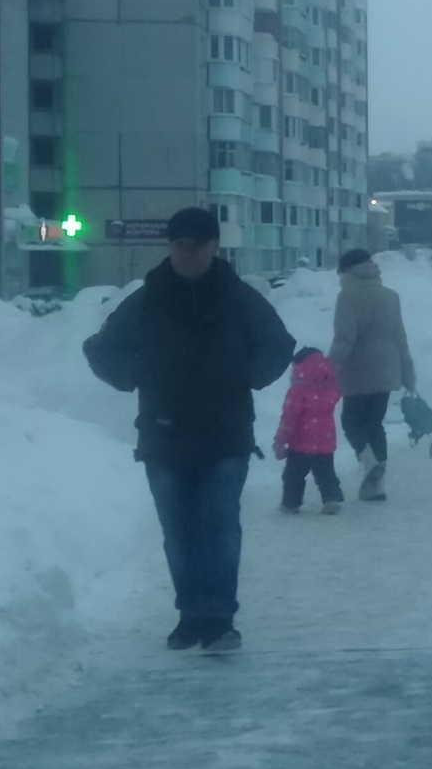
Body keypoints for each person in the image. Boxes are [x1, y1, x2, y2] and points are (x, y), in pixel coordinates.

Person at [83, 207, 294, 655]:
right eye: (179, 244)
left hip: (226, 434)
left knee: (218, 526)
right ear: (170, 248)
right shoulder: (147, 300)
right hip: (164, 437)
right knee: (179, 532)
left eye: (197, 244)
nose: (188, 253)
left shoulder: (238, 298)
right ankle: (190, 614)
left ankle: (219, 618)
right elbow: (102, 350)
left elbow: (278, 344)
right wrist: (133, 373)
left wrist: (249, 375)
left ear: (215, 247)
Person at [329, 248, 417, 502]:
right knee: (375, 424)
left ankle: (368, 462)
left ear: (346, 271)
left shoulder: (347, 296)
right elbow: (400, 336)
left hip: (358, 369)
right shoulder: (390, 296)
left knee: (351, 421)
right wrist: (407, 372)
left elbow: (345, 337)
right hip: (387, 369)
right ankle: (376, 487)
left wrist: (329, 366)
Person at [273, 347, 343, 515]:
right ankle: (331, 499)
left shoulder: (297, 391)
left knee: (293, 476)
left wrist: (280, 441)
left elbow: (289, 418)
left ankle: (291, 503)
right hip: (325, 441)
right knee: (326, 473)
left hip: (301, 442)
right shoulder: (330, 386)